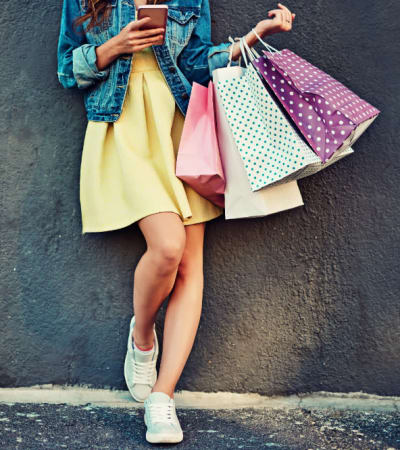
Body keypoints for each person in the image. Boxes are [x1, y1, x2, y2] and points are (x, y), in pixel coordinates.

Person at [57, 0, 295, 444]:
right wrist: (113, 47)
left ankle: (162, 398)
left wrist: (254, 37)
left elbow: (198, 63)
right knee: (167, 247)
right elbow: (68, 69)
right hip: (124, 125)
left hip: (182, 124)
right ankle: (143, 336)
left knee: (190, 263)